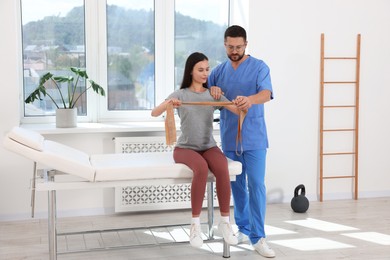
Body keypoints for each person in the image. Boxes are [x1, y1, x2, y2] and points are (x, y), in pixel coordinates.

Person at [151, 52, 239, 248]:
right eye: (200, 70)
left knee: (222, 166)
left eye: (207, 69)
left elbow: (236, 110)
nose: (205, 73)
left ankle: (225, 222)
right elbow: (154, 112)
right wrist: (168, 104)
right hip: (185, 148)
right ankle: (195, 225)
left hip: (208, 146)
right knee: (200, 167)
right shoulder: (180, 95)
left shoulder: (212, 94)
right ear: (190, 71)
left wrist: (242, 102)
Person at [208, 25, 276, 258]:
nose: (234, 50)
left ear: (246, 44)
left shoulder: (259, 67)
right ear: (224, 45)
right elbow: (205, 94)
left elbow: (266, 94)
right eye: (230, 47)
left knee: (256, 185)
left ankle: (259, 237)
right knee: (237, 186)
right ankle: (244, 229)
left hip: (255, 137)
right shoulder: (218, 71)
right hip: (229, 137)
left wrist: (249, 99)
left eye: (238, 46)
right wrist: (213, 91)